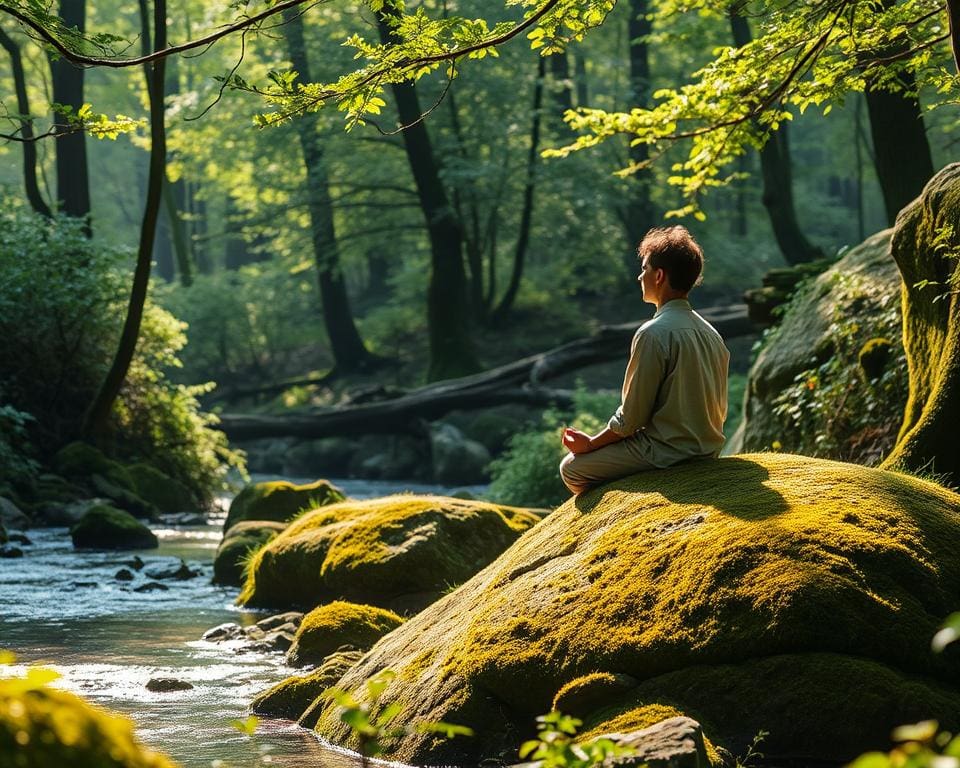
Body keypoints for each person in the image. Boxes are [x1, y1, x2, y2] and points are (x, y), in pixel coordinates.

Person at [559, 225, 729, 495]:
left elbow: (632, 418)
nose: (640, 276)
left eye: (645, 269)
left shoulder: (653, 334)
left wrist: (591, 444)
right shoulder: (712, 333)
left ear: (659, 275)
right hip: (707, 450)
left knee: (571, 468)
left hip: (665, 452)